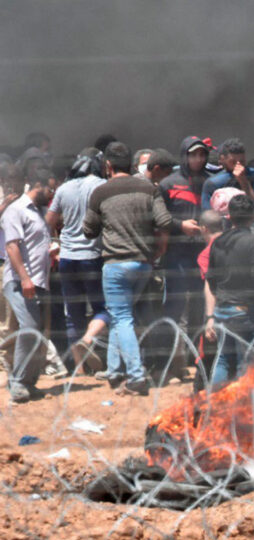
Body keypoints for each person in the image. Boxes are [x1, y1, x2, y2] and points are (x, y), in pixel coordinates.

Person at [83, 142, 173, 395]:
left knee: (121, 317)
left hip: (116, 265)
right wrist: (162, 247)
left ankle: (135, 377)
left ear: (108, 166)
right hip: (143, 264)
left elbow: (88, 230)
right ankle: (114, 371)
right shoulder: (148, 188)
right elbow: (164, 221)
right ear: (132, 166)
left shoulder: (101, 192)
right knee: (118, 314)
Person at [46, 148, 109, 372]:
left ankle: (80, 371)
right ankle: (89, 339)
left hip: (67, 258)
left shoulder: (63, 189)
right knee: (105, 308)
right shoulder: (101, 185)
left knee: (73, 314)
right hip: (92, 257)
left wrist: (54, 242)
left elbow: (49, 220)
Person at [158, 136, 211, 382]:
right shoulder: (168, 183)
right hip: (176, 254)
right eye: (193, 154)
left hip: (203, 254)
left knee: (202, 306)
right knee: (175, 307)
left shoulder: (210, 182)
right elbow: (158, 218)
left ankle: (199, 361)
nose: (198, 159)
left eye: (202, 154)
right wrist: (181, 225)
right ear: (184, 156)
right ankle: (171, 364)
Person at [2, 169, 55, 402]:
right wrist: (25, 278)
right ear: (38, 185)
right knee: (29, 327)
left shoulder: (39, 212)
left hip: (39, 281)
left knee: (38, 332)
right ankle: (18, 382)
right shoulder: (16, 211)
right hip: (19, 282)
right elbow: (12, 246)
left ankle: (30, 382)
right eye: (49, 188)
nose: (51, 193)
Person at [203, 195, 254, 389]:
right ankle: (242, 406)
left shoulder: (219, 242)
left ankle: (214, 404)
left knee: (222, 359)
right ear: (252, 216)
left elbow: (211, 279)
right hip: (244, 311)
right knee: (246, 362)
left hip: (222, 310)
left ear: (229, 216)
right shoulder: (253, 242)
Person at [201, 138, 254, 211]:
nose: (238, 165)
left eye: (242, 161)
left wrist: (244, 181)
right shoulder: (213, 183)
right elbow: (208, 214)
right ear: (222, 159)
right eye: (233, 162)